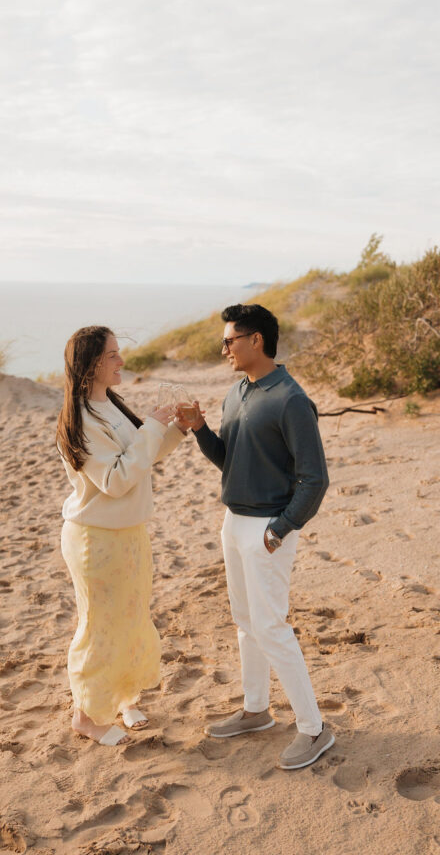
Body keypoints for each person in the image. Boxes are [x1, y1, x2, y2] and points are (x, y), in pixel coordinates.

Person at [186, 303, 334, 770]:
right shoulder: (237, 392)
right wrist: (199, 430)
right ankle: (256, 710)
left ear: (257, 341)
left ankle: (314, 729)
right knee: (246, 623)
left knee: (271, 628)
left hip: (268, 528)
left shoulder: (291, 399)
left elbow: (316, 479)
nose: (223, 347)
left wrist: (281, 528)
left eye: (230, 340)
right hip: (233, 522)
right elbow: (229, 460)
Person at [56, 325, 188, 746]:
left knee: (131, 618)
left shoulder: (109, 405)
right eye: (113, 355)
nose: (121, 361)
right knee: (99, 626)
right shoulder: (81, 418)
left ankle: (123, 698)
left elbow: (140, 458)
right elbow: (116, 480)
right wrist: (151, 425)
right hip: (97, 539)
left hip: (128, 533)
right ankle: (87, 715)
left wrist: (177, 429)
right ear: (92, 363)